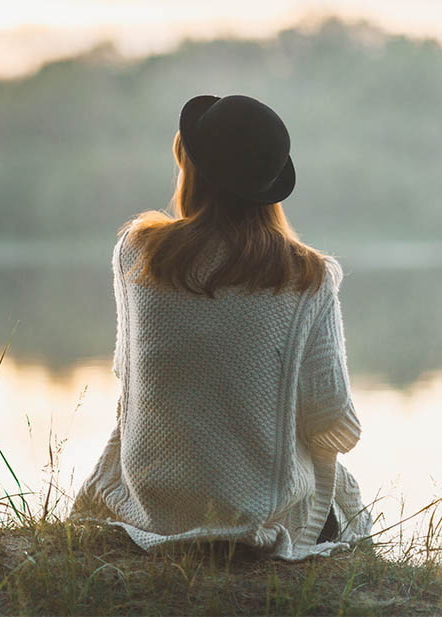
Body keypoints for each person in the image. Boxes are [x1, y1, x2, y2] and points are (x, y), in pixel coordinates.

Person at [71, 94, 372, 560]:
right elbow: (332, 418)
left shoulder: (138, 253)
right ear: (267, 187)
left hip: (152, 502)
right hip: (256, 518)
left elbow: (128, 378)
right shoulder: (309, 277)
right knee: (339, 492)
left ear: (193, 174)